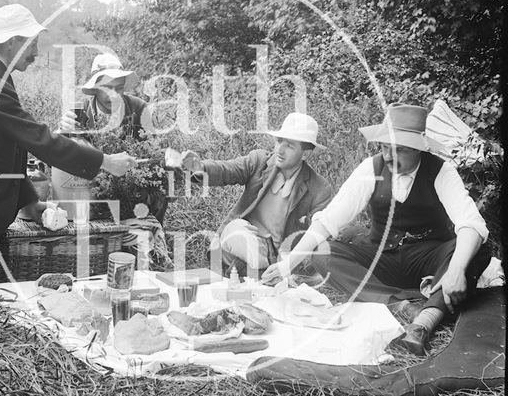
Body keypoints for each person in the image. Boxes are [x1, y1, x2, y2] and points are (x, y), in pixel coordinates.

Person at [0, 4, 137, 302]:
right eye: (32, 44)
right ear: (13, 42)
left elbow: (8, 153)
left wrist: (31, 203)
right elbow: (38, 139)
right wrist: (106, 162)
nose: (35, 53)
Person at [261, 103, 492, 356]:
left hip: (429, 258)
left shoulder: (440, 171)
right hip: (383, 257)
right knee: (321, 251)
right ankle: (402, 305)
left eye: (400, 149)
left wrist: (457, 269)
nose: (390, 157)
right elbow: (329, 220)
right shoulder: (371, 168)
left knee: (478, 250)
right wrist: (288, 265)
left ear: (418, 149)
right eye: (385, 147)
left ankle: (425, 320)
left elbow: (471, 224)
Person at [180, 112, 333, 279]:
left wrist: (292, 262)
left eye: (290, 146)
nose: (280, 150)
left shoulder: (319, 189)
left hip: (279, 253)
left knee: (310, 271)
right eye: (279, 141)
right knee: (235, 230)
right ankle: (264, 273)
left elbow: (319, 234)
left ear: (305, 154)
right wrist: (199, 167)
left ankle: (253, 271)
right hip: (244, 240)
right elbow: (227, 170)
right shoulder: (259, 161)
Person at [61, 52, 168, 224]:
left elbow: (153, 153)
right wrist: (62, 131)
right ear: (95, 88)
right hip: (93, 185)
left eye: (118, 87)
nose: (113, 94)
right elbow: (60, 154)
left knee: (163, 182)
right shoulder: (80, 112)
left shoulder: (138, 108)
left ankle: (150, 234)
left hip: (132, 183)